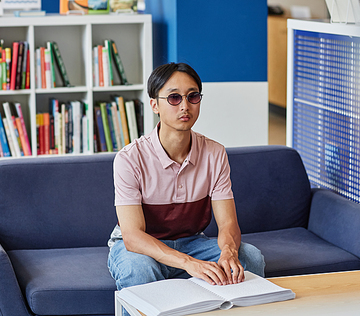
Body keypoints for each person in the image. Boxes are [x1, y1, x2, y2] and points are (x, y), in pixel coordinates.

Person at [107, 62, 265, 296]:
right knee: (139, 270)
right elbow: (133, 237)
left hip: (192, 242)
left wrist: (229, 252)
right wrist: (188, 263)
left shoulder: (214, 153)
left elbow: (228, 224)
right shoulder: (129, 159)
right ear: (154, 105)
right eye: (173, 98)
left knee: (249, 257)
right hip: (141, 248)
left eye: (193, 97)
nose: (185, 106)